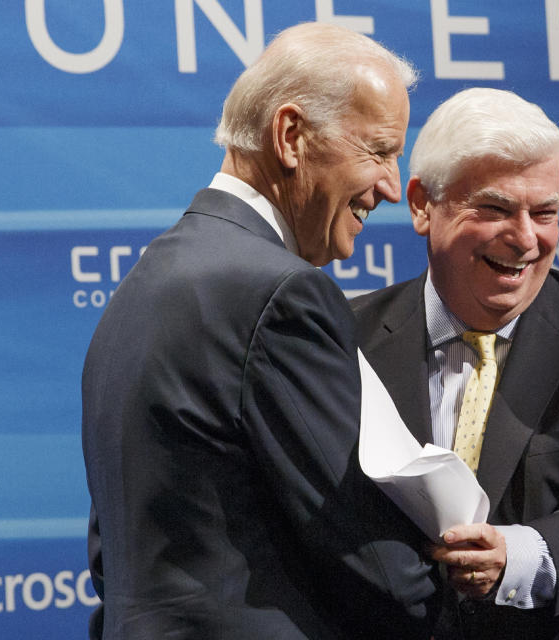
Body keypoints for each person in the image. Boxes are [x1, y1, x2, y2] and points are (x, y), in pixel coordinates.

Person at [81, 22, 439, 640]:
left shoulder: (142, 285)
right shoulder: (280, 294)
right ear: (292, 135)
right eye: (378, 150)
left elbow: (111, 554)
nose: (388, 184)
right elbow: (370, 559)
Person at [351, 87, 559, 639]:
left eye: (546, 212)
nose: (526, 239)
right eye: (496, 208)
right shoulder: (347, 337)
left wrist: (518, 556)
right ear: (421, 204)